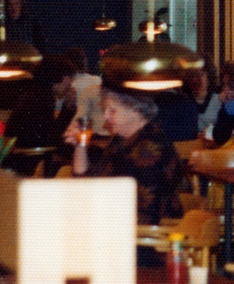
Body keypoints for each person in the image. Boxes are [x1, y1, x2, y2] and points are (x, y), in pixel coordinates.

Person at [64, 84, 182, 235]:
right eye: (105, 110)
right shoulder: (122, 140)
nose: (105, 116)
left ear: (136, 110)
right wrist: (80, 145)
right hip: (119, 230)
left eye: (112, 110)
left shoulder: (150, 148)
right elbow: (86, 185)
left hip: (148, 239)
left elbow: (145, 216)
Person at [3, 56, 77, 172]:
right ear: (62, 77)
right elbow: (50, 139)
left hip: (23, 157)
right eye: (71, 78)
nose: (71, 84)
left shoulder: (35, 91)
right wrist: (68, 109)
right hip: (31, 162)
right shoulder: (42, 97)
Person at [63, 47, 104, 133]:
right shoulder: (97, 80)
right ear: (84, 61)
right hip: (99, 128)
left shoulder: (69, 85)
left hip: (77, 128)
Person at [185, 61, 222, 136]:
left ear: (209, 77)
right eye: (192, 75)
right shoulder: (182, 102)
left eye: (199, 75)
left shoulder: (219, 100)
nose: (195, 80)